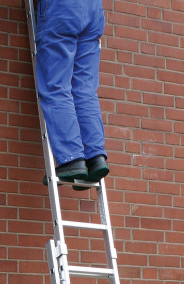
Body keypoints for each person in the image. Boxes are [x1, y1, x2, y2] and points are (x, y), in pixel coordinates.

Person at [35, 0, 109, 188]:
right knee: (84, 89)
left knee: (56, 86)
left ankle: (71, 159)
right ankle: (95, 157)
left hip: (62, 8)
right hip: (93, 10)